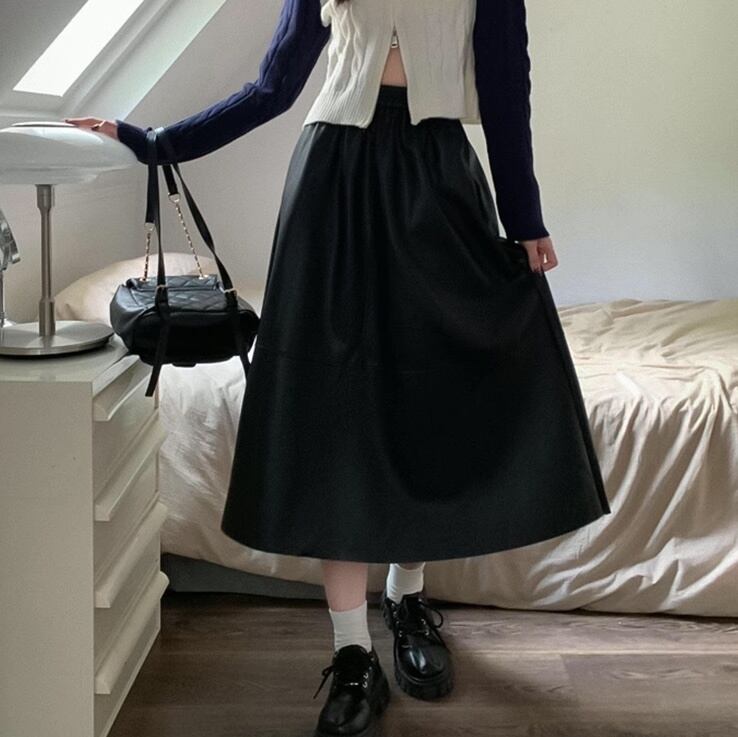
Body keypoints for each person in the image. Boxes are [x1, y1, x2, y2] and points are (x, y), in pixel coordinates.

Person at [67, 1, 611, 734]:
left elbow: (507, 87)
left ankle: (407, 596)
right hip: (332, 184)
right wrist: (156, 141)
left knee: (430, 401)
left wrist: (525, 215)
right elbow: (273, 86)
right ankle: (352, 652)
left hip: (437, 178)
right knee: (335, 411)